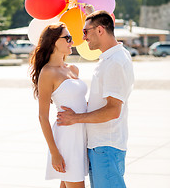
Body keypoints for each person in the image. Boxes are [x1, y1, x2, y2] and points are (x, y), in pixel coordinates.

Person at [57, 10, 134, 188]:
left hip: (106, 146)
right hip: (101, 146)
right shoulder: (112, 57)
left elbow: (113, 110)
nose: (83, 37)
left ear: (100, 30)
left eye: (85, 31)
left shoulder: (115, 61)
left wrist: (74, 118)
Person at [29, 22, 88, 188]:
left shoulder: (74, 69)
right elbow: (42, 117)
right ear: (54, 41)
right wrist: (54, 152)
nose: (72, 42)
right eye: (67, 38)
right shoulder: (48, 73)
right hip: (66, 139)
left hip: (81, 136)